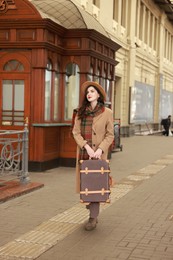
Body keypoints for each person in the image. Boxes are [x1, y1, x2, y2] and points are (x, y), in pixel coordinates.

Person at [72, 81, 114, 231]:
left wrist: (100, 149)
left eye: (92, 91)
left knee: (95, 185)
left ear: (98, 95)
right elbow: (75, 132)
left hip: (99, 155)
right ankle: (91, 206)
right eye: (87, 92)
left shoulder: (107, 112)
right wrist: (86, 147)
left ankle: (93, 217)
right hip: (85, 153)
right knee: (86, 185)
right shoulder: (80, 112)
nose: (89, 94)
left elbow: (110, 135)